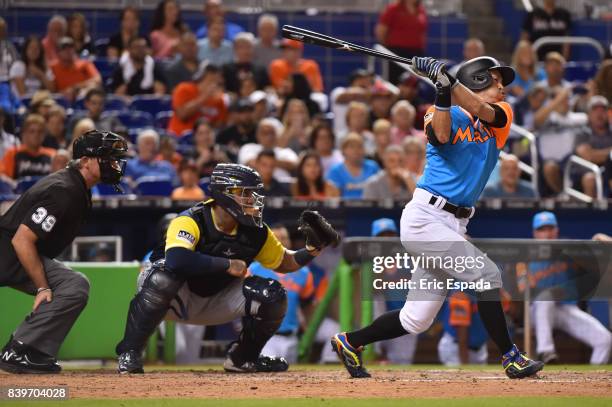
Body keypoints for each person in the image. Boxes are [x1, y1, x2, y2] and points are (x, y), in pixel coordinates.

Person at [331, 56, 543, 379]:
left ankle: (350, 341)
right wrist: (443, 91)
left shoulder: (503, 114)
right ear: (477, 81)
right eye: (495, 80)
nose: (502, 87)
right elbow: (441, 136)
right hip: (425, 218)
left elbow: (485, 112)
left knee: (416, 319)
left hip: (455, 223)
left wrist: (449, 82)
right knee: (487, 276)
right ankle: (510, 357)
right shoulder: (442, 112)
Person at [114, 163, 338, 373]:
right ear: (224, 193)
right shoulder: (190, 220)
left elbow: (285, 262)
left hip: (217, 299)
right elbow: (177, 261)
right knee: (162, 277)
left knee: (273, 294)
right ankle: (130, 352)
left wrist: (311, 250)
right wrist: (227, 264)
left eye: (253, 194)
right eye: (245, 193)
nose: (253, 200)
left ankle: (243, 358)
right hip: (175, 297)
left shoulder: (257, 231)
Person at [0, 130, 127, 374]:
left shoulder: (76, 185)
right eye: (107, 158)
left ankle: (30, 351)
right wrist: (43, 287)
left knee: (72, 284)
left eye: (115, 159)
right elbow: (22, 240)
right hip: (8, 252)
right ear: (86, 161)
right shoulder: (64, 189)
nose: (114, 164)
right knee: (73, 285)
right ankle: (21, 349)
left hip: (10, 254)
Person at [527, 212, 612, 364]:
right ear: (535, 233)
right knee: (546, 298)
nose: (547, 234)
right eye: (542, 229)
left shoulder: (568, 249)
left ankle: (593, 378)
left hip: (567, 308)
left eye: (550, 228)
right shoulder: (524, 255)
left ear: (556, 230)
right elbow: (521, 292)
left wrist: (598, 243)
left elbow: (592, 255)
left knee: (605, 339)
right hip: (536, 313)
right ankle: (545, 352)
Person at [252, 225, 315, 364]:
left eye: (284, 238)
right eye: (276, 238)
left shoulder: (304, 273)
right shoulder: (253, 269)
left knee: (290, 382)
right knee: (267, 376)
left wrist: (308, 330)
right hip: (265, 338)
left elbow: (308, 304)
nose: (281, 242)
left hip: (292, 337)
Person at [369, 218, 419, 364]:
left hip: (404, 315)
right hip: (380, 317)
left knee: (402, 362)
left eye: (389, 235)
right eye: (382, 236)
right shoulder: (369, 262)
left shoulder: (408, 258)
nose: (386, 239)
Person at [375, 0, 428, 84]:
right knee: (395, 81)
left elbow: (422, 31)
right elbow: (381, 30)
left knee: (414, 82)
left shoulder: (421, 10)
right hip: (397, 52)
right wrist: (389, 48)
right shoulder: (393, 8)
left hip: (416, 53)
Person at [167, 62, 227, 135]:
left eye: (216, 81)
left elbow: (219, 126)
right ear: (200, 77)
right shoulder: (184, 89)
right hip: (180, 137)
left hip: (204, 140)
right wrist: (204, 98)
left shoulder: (219, 100)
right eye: (210, 80)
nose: (213, 84)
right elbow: (182, 115)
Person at [438, 290, 489, 366]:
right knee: (462, 376)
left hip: (480, 348)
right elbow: (462, 335)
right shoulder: (460, 294)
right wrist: (465, 365)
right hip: (457, 349)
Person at [574, 96, 612, 198]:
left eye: (603, 110)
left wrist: (599, 154)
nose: (599, 114)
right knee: (590, 179)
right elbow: (589, 156)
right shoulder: (582, 133)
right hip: (586, 173)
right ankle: (594, 213)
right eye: (595, 110)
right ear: (589, 114)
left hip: (608, 172)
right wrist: (609, 153)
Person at [238, 117, 297, 181]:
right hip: (256, 185)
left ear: (277, 134)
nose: (268, 137)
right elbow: (250, 163)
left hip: (283, 186)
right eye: (264, 133)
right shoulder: (248, 147)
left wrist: (264, 163)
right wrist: (280, 163)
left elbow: (294, 165)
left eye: (271, 133)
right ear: (257, 134)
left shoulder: (286, 151)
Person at [326, 133, 380, 199]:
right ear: (343, 150)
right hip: (344, 208)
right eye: (351, 147)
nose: (356, 150)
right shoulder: (335, 171)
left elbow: (380, 191)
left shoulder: (373, 167)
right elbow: (333, 198)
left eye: (359, 146)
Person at [1, 114, 55, 180]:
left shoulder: (52, 154)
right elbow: (3, 178)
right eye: (32, 131)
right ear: (24, 133)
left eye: (40, 131)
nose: (36, 135)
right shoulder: (12, 153)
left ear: (44, 134)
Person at [49, 37, 101, 101]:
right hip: (60, 100)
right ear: (58, 52)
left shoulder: (84, 64)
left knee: (92, 87)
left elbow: (97, 80)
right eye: (64, 48)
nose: (68, 51)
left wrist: (75, 88)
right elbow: (51, 89)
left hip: (82, 99)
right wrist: (63, 93)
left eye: (70, 48)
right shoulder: (53, 67)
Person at [330, 69, 374, 137]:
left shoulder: (366, 100)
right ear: (354, 81)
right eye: (361, 79)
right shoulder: (339, 91)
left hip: (361, 138)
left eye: (368, 81)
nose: (366, 83)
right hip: (340, 136)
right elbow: (346, 95)